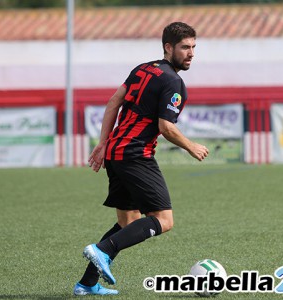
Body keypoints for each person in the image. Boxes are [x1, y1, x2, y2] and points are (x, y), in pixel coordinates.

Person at [73, 22, 209, 296]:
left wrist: (103, 143)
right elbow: (166, 127)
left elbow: (114, 102)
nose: (191, 53)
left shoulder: (143, 68)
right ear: (168, 47)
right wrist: (190, 146)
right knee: (163, 220)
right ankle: (102, 250)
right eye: (185, 47)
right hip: (135, 154)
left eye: (194, 47)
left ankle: (86, 284)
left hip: (116, 152)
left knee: (128, 222)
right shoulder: (173, 82)